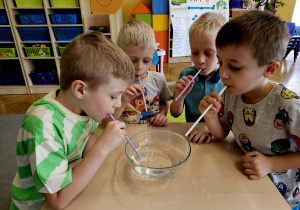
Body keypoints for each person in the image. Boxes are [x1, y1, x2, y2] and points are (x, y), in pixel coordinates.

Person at [10, 31, 135, 210]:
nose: (117, 104)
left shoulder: (81, 106)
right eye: (114, 96)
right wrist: (102, 148)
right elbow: (57, 200)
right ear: (80, 90)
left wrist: (95, 156)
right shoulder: (43, 126)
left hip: (71, 184)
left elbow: (88, 135)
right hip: (37, 204)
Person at [199, 11, 300, 209]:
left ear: (269, 69)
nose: (223, 74)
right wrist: (211, 118)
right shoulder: (232, 93)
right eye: (221, 63)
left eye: (234, 67)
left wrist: (271, 165)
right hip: (245, 183)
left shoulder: (289, 106)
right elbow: (222, 134)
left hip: (282, 197)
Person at [170, 12, 226, 144]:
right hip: (190, 136)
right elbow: (175, 114)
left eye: (208, 53)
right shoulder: (185, 74)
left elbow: (232, 120)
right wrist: (180, 97)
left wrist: (209, 128)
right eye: (195, 52)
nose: (200, 60)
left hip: (219, 137)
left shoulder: (228, 80)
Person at [102, 19, 172, 126]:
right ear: (120, 55)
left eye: (146, 61)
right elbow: (107, 122)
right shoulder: (112, 82)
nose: (139, 67)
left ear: (153, 55)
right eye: (133, 60)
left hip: (151, 132)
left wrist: (162, 115)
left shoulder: (158, 79)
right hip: (124, 135)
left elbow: (164, 102)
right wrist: (123, 100)